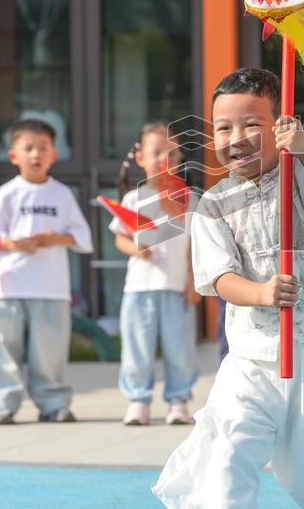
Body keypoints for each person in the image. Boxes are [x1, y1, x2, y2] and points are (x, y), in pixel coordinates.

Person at [153, 67, 304, 508]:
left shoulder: (302, 173)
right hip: (252, 355)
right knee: (227, 455)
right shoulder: (212, 205)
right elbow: (219, 278)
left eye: (252, 124)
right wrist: (262, 293)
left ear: (280, 127)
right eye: (223, 127)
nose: (236, 137)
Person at [0, 118, 93, 424]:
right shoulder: (7, 194)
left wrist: (53, 238)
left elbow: (82, 238)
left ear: (54, 154)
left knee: (50, 351)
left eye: (43, 148)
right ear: (13, 155)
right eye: (28, 148)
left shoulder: (62, 194)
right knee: (4, 349)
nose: (35, 155)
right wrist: (14, 244)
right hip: (9, 286)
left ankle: (54, 404)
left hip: (51, 287)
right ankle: (2, 404)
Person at [110, 123, 199, 426]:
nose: (164, 159)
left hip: (176, 286)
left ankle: (179, 400)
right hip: (138, 287)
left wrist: (193, 280)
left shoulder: (188, 199)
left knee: (180, 348)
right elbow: (119, 238)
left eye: (171, 154)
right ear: (140, 158)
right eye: (156, 152)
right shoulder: (133, 198)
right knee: (137, 347)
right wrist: (136, 249)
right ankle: (138, 401)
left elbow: (193, 245)